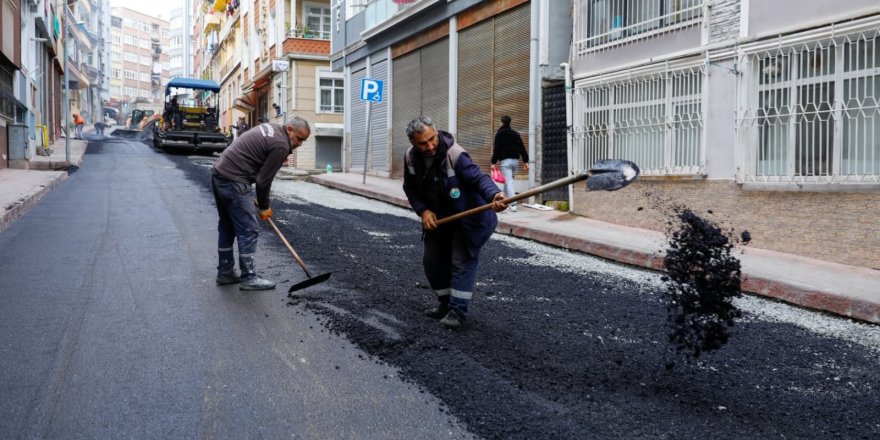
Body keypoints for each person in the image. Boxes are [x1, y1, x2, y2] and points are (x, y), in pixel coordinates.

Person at [402, 116, 508, 330]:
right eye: (423, 143)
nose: (430, 146)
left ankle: (457, 311)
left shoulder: (455, 154)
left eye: (432, 139)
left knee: (460, 260)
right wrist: (423, 211)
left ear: (436, 131)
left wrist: (494, 196)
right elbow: (410, 188)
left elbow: (478, 178)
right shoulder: (411, 158)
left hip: (468, 218)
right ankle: (445, 304)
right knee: (432, 261)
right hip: (441, 219)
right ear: (413, 142)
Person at [211, 116, 311, 290]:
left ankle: (225, 272)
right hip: (235, 179)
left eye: (303, 140)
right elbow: (263, 181)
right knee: (248, 229)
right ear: (289, 129)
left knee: (227, 225)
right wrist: (264, 207)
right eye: (299, 138)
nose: (300, 143)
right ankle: (249, 277)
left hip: (220, 173)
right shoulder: (281, 144)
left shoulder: (272, 128)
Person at [490, 115, 529, 212]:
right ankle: (504, 203)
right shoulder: (516, 134)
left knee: (509, 182)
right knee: (508, 182)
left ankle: (513, 204)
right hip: (515, 161)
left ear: (502, 122)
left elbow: (496, 148)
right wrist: (525, 161)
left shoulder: (499, 134)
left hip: (506, 161)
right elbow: (522, 148)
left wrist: (493, 162)